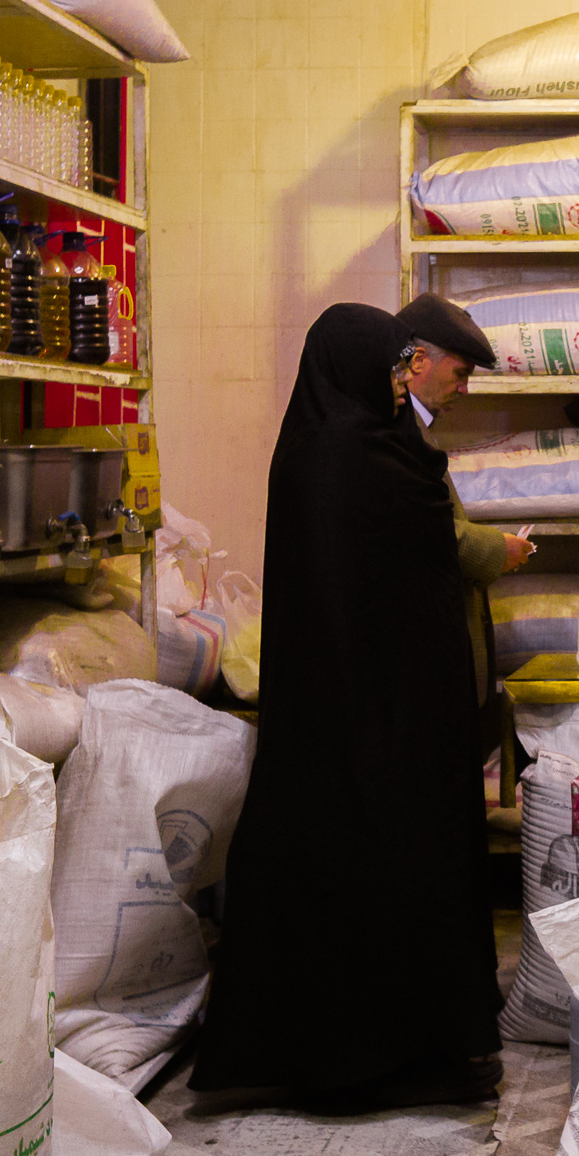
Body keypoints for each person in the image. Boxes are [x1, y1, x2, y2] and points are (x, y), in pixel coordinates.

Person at [190, 303, 502, 1112]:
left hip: (333, 716)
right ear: (359, 367)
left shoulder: (318, 448)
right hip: (386, 719)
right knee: (393, 873)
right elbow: (419, 566)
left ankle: (337, 1057)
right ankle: (399, 1057)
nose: (403, 384)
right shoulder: (357, 460)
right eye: (395, 368)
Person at [394, 293, 534, 715]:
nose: (464, 388)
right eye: (460, 373)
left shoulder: (416, 427)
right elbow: (424, 530)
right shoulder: (401, 431)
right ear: (419, 360)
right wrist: (497, 549)